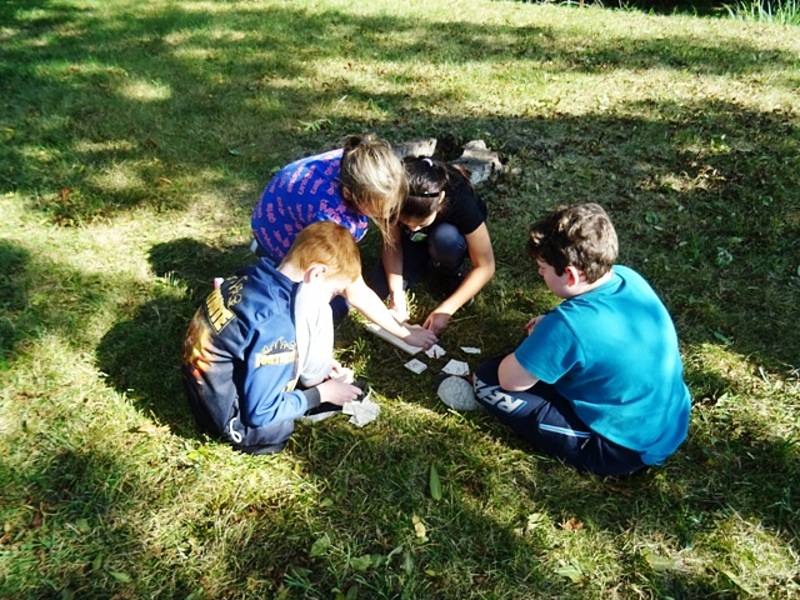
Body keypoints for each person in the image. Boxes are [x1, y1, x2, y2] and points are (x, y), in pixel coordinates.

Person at [473, 203, 691, 476]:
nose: (539, 274)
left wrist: (545, 338)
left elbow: (509, 380)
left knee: (486, 381)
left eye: (543, 268)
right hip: (671, 419)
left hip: (622, 449)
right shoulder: (627, 277)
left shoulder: (567, 326)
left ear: (572, 275)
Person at [182, 222, 365, 455]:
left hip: (199, 384)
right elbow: (260, 413)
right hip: (226, 417)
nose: (330, 299)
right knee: (277, 430)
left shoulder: (253, 275)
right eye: (333, 292)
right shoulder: (277, 326)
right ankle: (317, 399)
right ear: (317, 274)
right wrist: (322, 394)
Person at [251, 134, 436, 349]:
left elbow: (389, 234)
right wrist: (404, 333)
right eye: (378, 209)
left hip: (276, 215)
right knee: (333, 307)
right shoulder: (331, 217)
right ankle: (271, 261)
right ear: (349, 194)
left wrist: (396, 294)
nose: (386, 215)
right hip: (277, 237)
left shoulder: (358, 162)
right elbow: (354, 289)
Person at [369, 156, 495, 334]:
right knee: (378, 288)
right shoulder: (393, 197)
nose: (413, 228)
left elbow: (486, 266)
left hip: (448, 235)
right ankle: (420, 259)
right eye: (405, 223)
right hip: (413, 242)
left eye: (420, 223)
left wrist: (446, 310)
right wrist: (396, 293)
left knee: (446, 238)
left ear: (440, 200)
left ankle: (447, 272)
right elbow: (393, 244)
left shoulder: (460, 200)